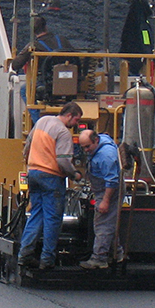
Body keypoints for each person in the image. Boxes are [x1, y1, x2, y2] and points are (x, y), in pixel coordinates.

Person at [18, 102, 82, 269]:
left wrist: (29, 164)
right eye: (76, 119)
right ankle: (47, 261)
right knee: (52, 218)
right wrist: (74, 174)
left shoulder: (42, 121)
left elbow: (27, 145)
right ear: (69, 115)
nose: (76, 123)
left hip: (33, 173)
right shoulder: (63, 132)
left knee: (36, 214)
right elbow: (63, 161)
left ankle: (24, 254)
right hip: (51, 177)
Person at [77, 128, 122, 269]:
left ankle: (99, 259)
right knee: (109, 223)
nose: (85, 150)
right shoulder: (101, 142)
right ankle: (117, 253)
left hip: (108, 190)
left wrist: (105, 200)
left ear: (96, 141)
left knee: (102, 224)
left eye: (88, 147)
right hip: (102, 189)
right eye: (82, 147)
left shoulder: (105, 156)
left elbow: (112, 181)